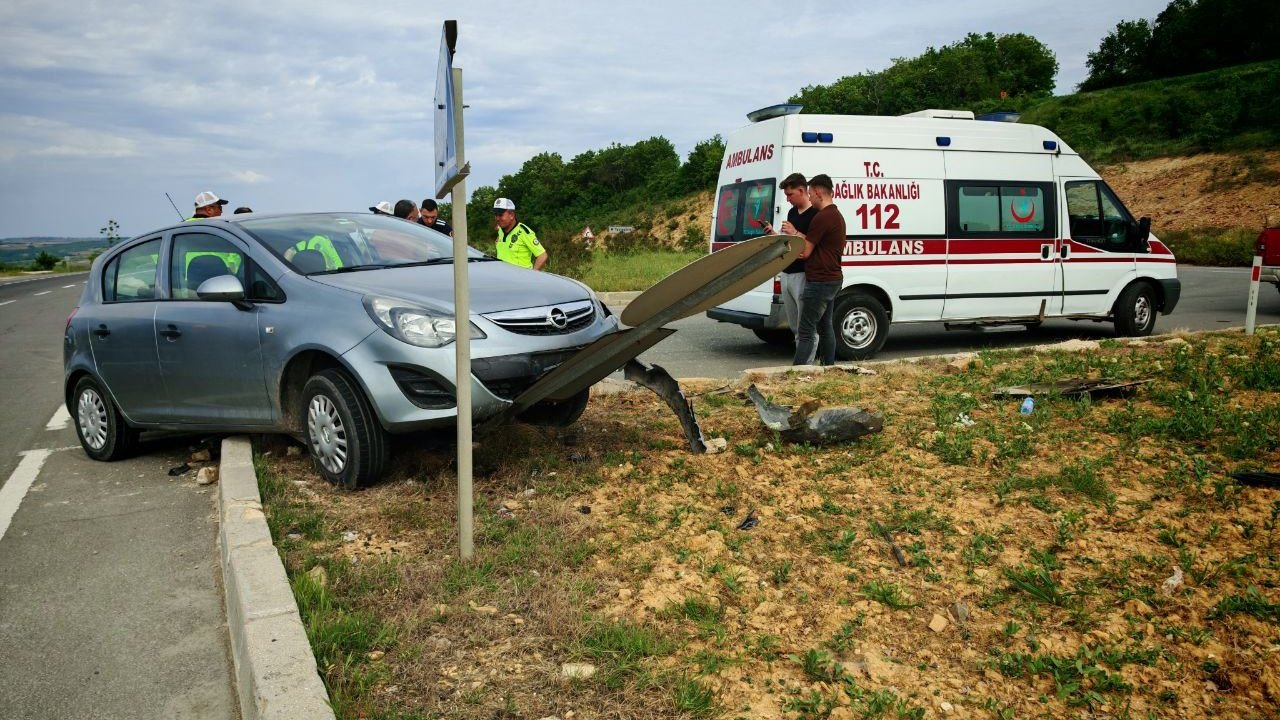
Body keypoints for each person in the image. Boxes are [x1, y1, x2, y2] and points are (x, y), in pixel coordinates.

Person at [792, 174, 846, 366]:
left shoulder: (822, 217)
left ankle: (797, 373)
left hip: (820, 281)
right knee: (825, 327)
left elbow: (805, 252)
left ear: (817, 192)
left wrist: (787, 250)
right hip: (833, 278)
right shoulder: (836, 215)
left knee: (806, 330)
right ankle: (828, 367)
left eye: (810, 193)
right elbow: (816, 244)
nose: (809, 197)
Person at [763, 173, 817, 343]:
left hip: (803, 274)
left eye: (790, 194)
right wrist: (773, 233)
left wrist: (795, 232)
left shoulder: (815, 214)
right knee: (794, 326)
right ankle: (801, 355)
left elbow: (814, 244)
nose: (787, 199)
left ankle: (809, 357)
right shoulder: (792, 212)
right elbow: (787, 241)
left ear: (801, 190)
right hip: (786, 272)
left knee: (805, 326)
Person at [493, 197, 547, 271]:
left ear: (511, 215)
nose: (497, 218)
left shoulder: (524, 232)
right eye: (496, 215)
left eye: (500, 215)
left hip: (520, 277)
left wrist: (532, 275)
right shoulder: (501, 230)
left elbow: (542, 256)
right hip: (502, 275)